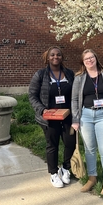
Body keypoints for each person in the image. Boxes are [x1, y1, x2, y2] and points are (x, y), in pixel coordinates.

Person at [71, 49, 103, 195]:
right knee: (89, 149)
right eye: (86, 59)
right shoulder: (79, 77)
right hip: (85, 115)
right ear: (83, 62)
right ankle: (92, 178)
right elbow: (74, 99)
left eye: (91, 57)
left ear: (96, 58)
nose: (89, 60)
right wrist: (75, 119)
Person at [28, 46, 76, 188]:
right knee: (52, 145)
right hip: (50, 117)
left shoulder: (69, 74)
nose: (56, 57)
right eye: (53, 55)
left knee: (70, 143)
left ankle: (65, 168)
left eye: (59, 55)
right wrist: (42, 110)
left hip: (68, 116)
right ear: (47, 58)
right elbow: (32, 95)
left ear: (62, 57)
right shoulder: (41, 75)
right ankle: (54, 173)